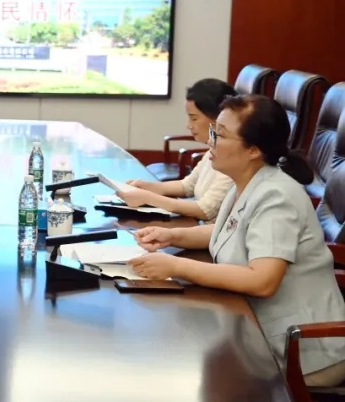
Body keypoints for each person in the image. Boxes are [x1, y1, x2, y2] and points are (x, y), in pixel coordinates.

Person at [129, 95, 345, 386]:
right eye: (213, 131)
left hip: (302, 349)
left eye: (220, 134)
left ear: (253, 149)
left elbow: (262, 280)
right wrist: (172, 235)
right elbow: (233, 230)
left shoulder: (277, 196)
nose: (210, 141)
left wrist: (176, 267)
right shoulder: (247, 182)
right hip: (256, 330)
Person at [122, 78, 237, 221]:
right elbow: (187, 186)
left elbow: (205, 210)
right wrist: (146, 186)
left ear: (218, 118)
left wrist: (149, 198)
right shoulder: (213, 149)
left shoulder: (232, 160)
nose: (188, 125)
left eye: (194, 118)